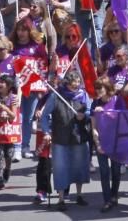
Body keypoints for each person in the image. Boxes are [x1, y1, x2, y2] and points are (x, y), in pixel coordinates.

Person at [39, 70, 91, 209]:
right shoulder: (56, 96)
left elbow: (89, 112)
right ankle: (61, 199)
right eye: (74, 84)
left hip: (79, 136)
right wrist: (46, 132)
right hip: (60, 138)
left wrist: (84, 116)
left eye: (78, 83)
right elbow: (44, 116)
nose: (77, 86)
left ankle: (79, 195)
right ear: (67, 84)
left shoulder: (83, 95)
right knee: (60, 168)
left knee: (80, 166)